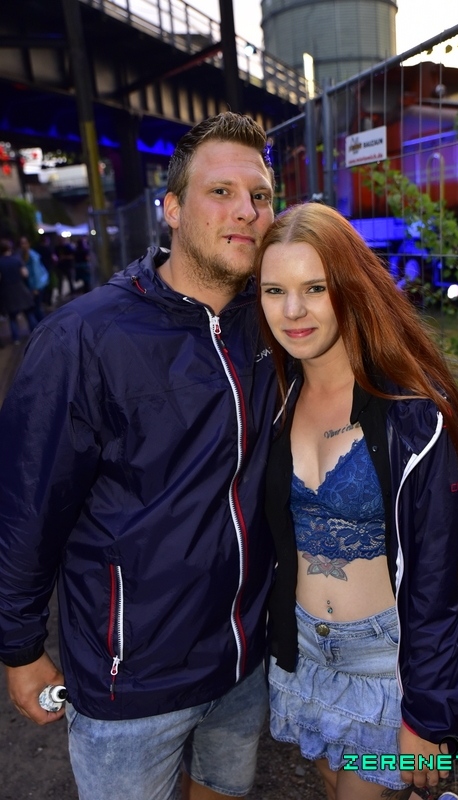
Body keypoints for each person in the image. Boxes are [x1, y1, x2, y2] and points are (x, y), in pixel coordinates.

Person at [0, 112, 277, 800]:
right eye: (221, 192)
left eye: (260, 195)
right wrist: (20, 648)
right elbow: (27, 507)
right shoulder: (83, 338)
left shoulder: (278, 321)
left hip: (242, 661)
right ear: (172, 209)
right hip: (131, 685)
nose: (246, 211)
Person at [255, 204, 458, 800]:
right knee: (330, 774)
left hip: (385, 661)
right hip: (303, 647)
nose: (293, 311)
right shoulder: (272, 394)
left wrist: (425, 712)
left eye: (315, 288)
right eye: (274, 291)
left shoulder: (413, 414)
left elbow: (434, 581)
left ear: (351, 287)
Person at [0, 238, 38, 344]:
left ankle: (16, 338)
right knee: (29, 313)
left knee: (12, 317)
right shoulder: (17, 260)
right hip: (20, 289)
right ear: (10, 248)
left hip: (7, 292)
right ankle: (36, 334)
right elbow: (25, 274)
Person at [18, 235, 50, 320]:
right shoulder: (25, 255)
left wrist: (35, 288)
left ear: (29, 243)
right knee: (35, 309)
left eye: (24, 243)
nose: (22, 245)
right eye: (21, 243)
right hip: (34, 285)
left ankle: (45, 326)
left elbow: (36, 273)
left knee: (36, 309)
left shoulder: (32, 256)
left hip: (37, 286)